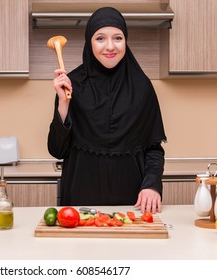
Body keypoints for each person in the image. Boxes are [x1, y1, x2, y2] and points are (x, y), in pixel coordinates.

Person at [47, 7, 167, 214]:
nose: (110, 47)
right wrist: (63, 104)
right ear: (89, 42)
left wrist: (152, 185)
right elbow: (57, 150)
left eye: (118, 38)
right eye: (100, 38)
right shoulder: (71, 84)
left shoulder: (142, 86)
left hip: (132, 202)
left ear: (126, 41)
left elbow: (154, 149)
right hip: (80, 199)